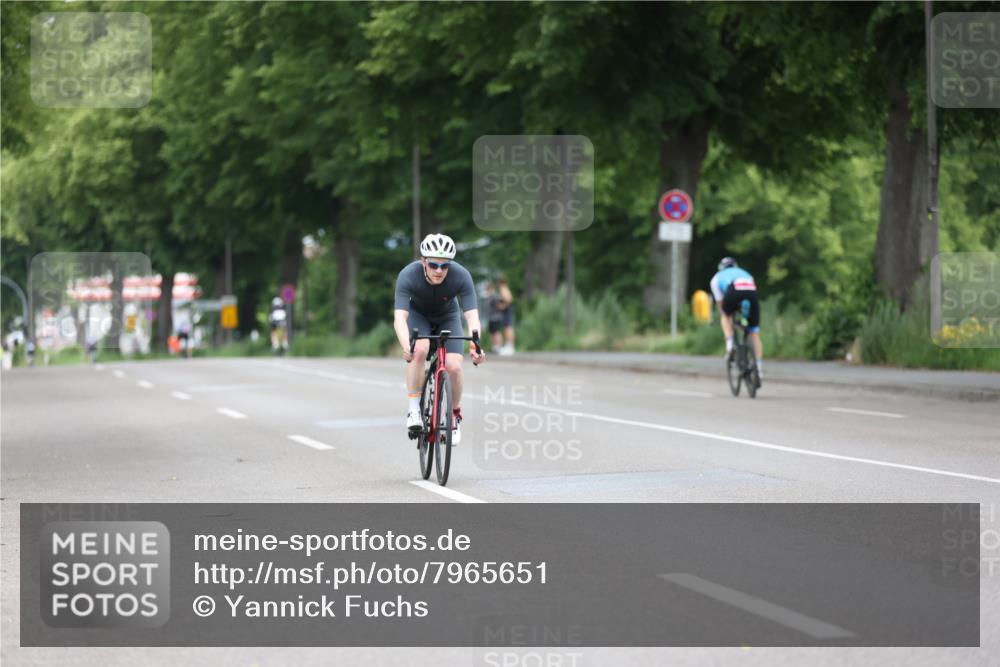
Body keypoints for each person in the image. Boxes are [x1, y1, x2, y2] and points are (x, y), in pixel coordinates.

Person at [393, 233, 486, 444]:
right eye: (433, 265)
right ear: (423, 261)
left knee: (454, 366)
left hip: (448, 316)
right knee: (420, 350)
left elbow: (471, 315)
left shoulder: (461, 276)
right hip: (419, 316)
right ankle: (414, 409)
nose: (439, 271)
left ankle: (454, 416)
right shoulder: (408, 275)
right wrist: (406, 345)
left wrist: (476, 344)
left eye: (444, 266)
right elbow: (400, 317)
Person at [710, 257, 763, 385]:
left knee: (725, 315)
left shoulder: (716, 278)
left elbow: (721, 304)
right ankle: (759, 370)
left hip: (733, 290)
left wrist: (727, 313)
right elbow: (749, 291)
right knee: (754, 333)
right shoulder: (746, 273)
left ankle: (729, 345)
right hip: (751, 292)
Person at [494, 276, 515, 355]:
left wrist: (503, 306)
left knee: (508, 328)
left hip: (506, 311)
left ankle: (510, 346)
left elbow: (509, 299)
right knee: (508, 327)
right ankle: (509, 345)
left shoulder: (503, 289)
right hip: (506, 311)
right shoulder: (505, 288)